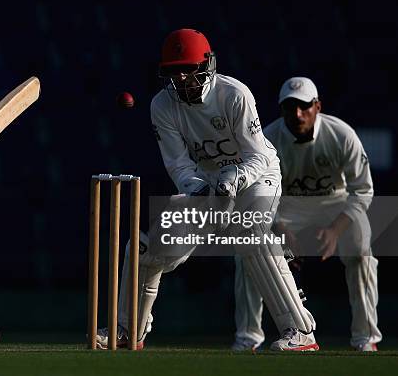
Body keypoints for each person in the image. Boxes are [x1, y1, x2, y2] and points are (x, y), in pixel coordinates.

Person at [96, 29, 318, 351]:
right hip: (209, 185)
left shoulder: (234, 95)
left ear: (208, 65)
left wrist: (235, 180)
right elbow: (179, 165)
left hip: (257, 176)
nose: (182, 78)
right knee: (147, 249)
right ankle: (128, 330)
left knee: (249, 233)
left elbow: (258, 155)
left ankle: (300, 332)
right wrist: (197, 189)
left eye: (188, 68)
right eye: (174, 71)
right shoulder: (162, 105)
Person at [233, 76, 380, 352]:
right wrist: (280, 228)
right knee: (247, 251)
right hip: (286, 208)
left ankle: (365, 337)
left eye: (304, 106)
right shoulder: (267, 140)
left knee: (362, 250)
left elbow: (362, 191)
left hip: (335, 205)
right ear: (282, 110)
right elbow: (257, 196)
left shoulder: (342, 135)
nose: (297, 114)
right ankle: (248, 338)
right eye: (290, 107)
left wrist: (336, 231)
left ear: (317, 106)